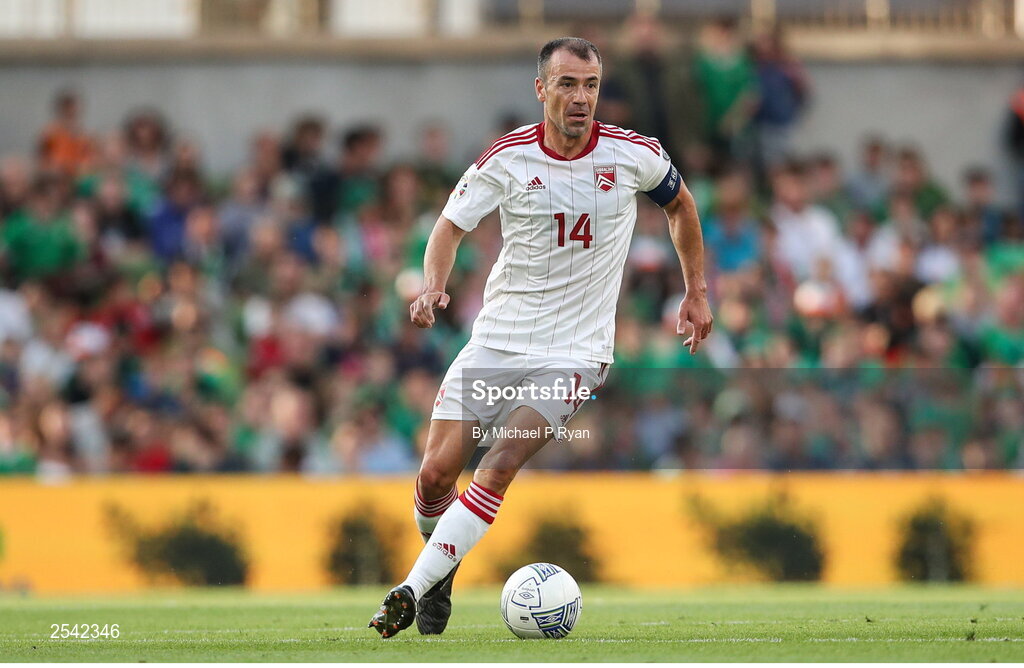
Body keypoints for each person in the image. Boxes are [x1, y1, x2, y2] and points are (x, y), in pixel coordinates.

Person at [368, 36, 712, 638]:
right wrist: (431, 288)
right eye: (568, 84)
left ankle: (412, 588)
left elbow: (680, 204)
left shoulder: (633, 155)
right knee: (434, 476)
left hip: (575, 351)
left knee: (497, 465)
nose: (581, 98)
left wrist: (697, 290)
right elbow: (449, 228)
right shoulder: (506, 159)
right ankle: (440, 574)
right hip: (498, 339)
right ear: (541, 89)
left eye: (591, 85)